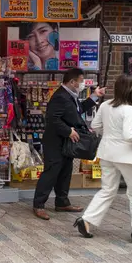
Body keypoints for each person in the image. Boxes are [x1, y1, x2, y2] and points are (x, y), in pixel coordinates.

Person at [74, 74, 132, 244]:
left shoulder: (106, 105)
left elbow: (95, 126)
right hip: (128, 156)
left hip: (107, 153)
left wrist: (109, 135)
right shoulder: (129, 109)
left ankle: (86, 220)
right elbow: (130, 136)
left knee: (107, 190)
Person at [33, 68, 105, 220]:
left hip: (66, 143)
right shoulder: (60, 96)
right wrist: (68, 131)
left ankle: (62, 202)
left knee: (65, 171)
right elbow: (52, 119)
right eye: (80, 81)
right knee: (51, 172)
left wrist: (94, 96)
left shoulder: (71, 96)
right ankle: (38, 205)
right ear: (72, 82)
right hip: (55, 142)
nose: (82, 84)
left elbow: (78, 110)